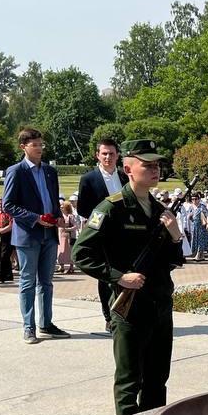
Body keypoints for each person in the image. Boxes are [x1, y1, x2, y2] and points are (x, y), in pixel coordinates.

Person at [72, 139, 185, 415]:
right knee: (128, 381)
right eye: (147, 165)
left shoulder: (160, 211)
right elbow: (81, 253)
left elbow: (172, 260)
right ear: (128, 169)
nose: (154, 170)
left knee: (157, 379)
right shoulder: (112, 208)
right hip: (131, 307)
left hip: (159, 304)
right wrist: (119, 278)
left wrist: (175, 236)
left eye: (157, 165)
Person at [2, 127, 69, 344]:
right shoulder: (16, 171)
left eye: (41, 144)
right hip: (28, 235)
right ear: (23, 147)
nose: (40, 148)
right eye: (35, 145)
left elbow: (53, 199)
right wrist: (34, 218)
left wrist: (57, 216)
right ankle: (29, 327)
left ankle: (46, 323)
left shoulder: (50, 171)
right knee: (28, 282)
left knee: (47, 283)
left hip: (49, 234)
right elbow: (8, 205)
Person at [76, 138, 127, 331]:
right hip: (103, 234)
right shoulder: (89, 179)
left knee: (125, 274)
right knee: (106, 277)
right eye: (104, 153)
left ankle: (123, 312)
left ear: (117, 155)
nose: (108, 157)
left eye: (111, 153)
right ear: (97, 155)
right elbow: (83, 208)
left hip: (124, 234)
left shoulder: (123, 177)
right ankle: (109, 316)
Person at [56, 201, 79, 273]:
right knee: (60, 251)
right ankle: (61, 266)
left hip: (69, 237)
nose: (61, 208)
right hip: (60, 236)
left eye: (63, 207)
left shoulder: (71, 216)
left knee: (69, 252)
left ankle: (71, 267)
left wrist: (67, 229)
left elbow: (76, 226)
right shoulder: (60, 216)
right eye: (60, 207)